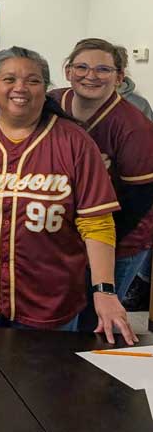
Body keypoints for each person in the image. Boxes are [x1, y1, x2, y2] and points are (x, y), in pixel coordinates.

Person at [0, 46, 137, 344]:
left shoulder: (75, 142)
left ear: (46, 89)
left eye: (33, 80)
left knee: (45, 373)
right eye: (9, 79)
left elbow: (96, 222)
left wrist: (104, 291)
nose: (21, 88)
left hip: (53, 300)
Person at [48, 38, 153, 329]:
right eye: (81, 67)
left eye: (103, 69)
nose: (90, 76)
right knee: (68, 311)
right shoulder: (52, 103)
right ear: (68, 71)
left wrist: (97, 243)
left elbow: (139, 200)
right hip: (70, 233)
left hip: (122, 235)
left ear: (119, 77)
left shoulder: (134, 127)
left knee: (97, 319)